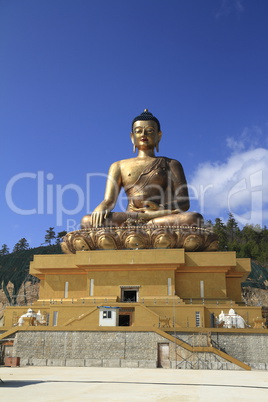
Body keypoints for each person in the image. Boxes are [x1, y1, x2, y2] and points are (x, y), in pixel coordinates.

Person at [81, 109, 203, 229]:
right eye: (139, 131)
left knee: (193, 219)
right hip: (131, 216)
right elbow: (109, 200)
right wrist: (102, 207)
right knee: (87, 221)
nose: (143, 135)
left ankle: (140, 229)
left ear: (159, 136)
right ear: (132, 136)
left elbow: (184, 202)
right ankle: (146, 228)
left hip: (160, 216)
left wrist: (158, 209)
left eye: (149, 131)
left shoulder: (171, 163)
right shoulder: (118, 166)